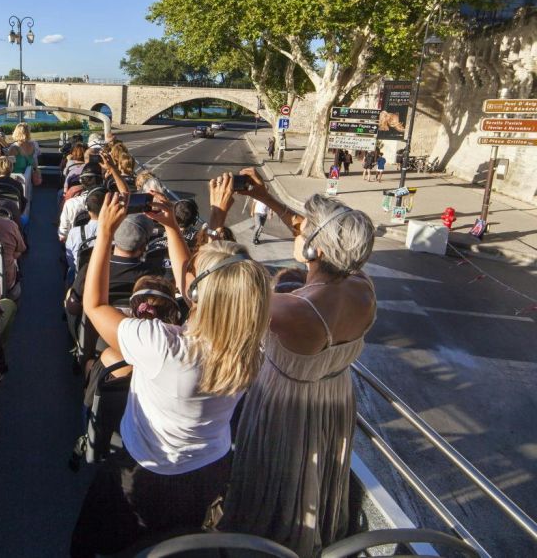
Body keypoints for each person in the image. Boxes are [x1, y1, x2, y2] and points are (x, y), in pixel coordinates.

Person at [70, 191, 272, 557]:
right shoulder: (253, 347)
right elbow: (194, 287)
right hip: (208, 472)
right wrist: (174, 229)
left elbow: (94, 304)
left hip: (146, 470)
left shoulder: (162, 345)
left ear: (199, 295)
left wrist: (104, 236)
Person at [219, 173, 377, 557]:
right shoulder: (362, 287)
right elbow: (315, 232)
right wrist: (265, 197)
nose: (298, 231)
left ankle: (268, 542)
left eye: (305, 233)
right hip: (334, 401)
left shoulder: (294, 309)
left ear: (314, 252)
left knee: (278, 477)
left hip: (286, 405)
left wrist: (216, 216)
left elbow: (215, 289)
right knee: (316, 476)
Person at [64, 188, 105, 285]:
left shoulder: (74, 232)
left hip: (81, 279)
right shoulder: (117, 232)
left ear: (88, 210)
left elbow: (71, 262)